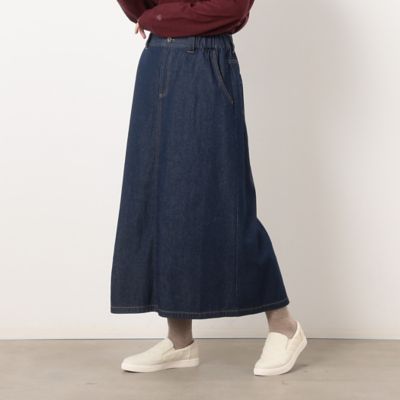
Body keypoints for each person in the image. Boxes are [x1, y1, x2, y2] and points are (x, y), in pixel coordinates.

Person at [110, 0, 307, 376]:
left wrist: (158, 17)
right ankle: (179, 340)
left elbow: (229, 10)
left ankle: (284, 325)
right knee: (160, 200)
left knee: (225, 201)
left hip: (207, 64)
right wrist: (151, 15)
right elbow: (138, 9)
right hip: (156, 60)